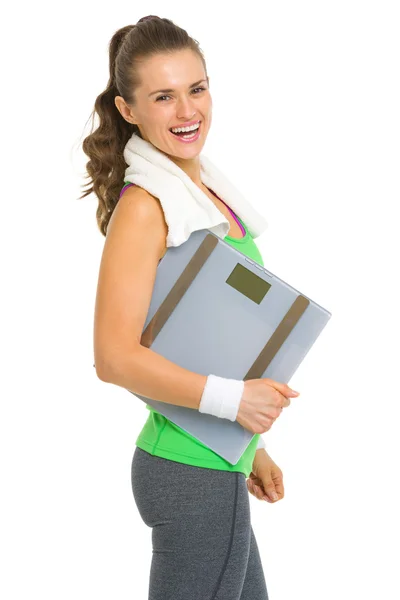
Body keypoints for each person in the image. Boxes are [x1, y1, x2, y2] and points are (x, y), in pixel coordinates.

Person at [80, 15, 300, 600]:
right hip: (191, 473)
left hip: (210, 464)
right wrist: (237, 403)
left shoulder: (203, 194)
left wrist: (252, 447)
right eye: (163, 96)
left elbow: (193, 340)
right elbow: (114, 358)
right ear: (129, 111)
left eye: (196, 89)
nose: (187, 111)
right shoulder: (146, 206)